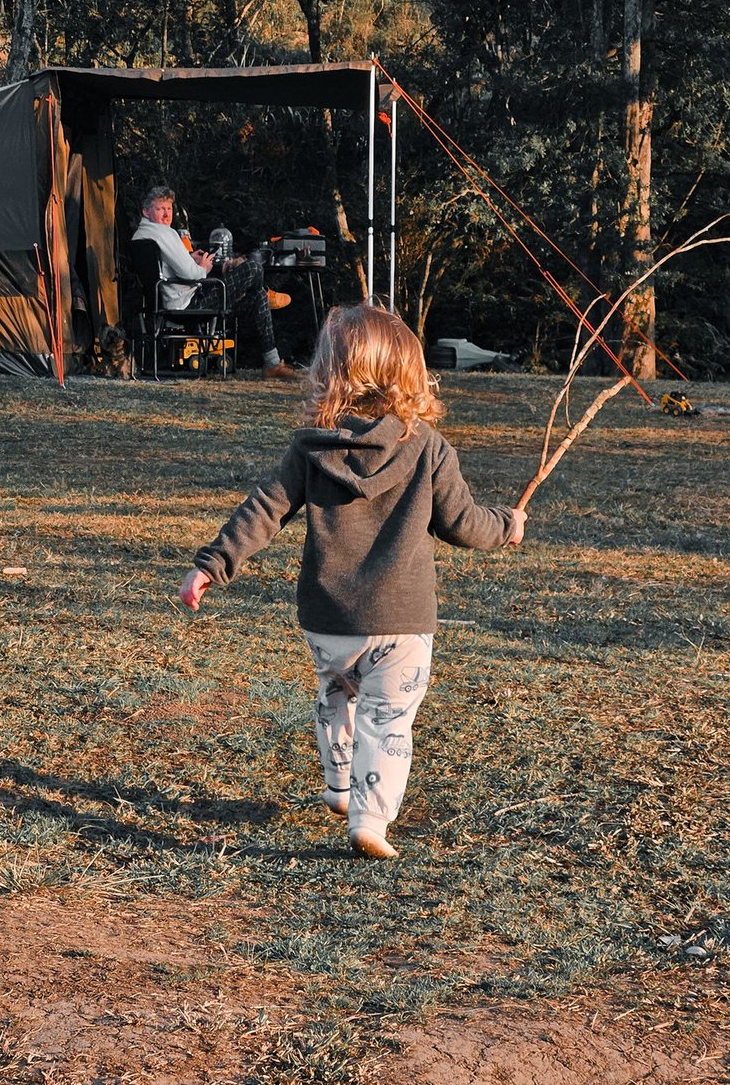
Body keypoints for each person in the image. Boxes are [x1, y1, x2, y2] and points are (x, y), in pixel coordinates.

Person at [178, 302, 526, 858]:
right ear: (409, 373)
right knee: (388, 718)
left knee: (337, 695)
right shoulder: (429, 448)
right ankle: (369, 819)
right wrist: (508, 525)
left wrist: (211, 564)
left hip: (327, 619)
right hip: (401, 622)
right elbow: (464, 525)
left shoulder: (311, 447)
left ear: (329, 373)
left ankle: (339, 787)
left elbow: (264, 509)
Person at [132, 184, 297, 381]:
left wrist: (190, 256)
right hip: (189, 306)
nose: (167, 215)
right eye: (160, 209)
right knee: (253, 268)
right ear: (146, 211)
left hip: (168, 303)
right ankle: (265, 296)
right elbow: (192, 274)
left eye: (169, 209)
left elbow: (164, 268)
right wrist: (204, 266)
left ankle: (272, 363)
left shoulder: (141, 236)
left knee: (258, 297)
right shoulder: (164, 233)